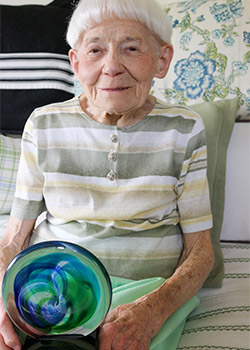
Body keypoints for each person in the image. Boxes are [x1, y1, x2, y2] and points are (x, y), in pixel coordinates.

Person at [0, 0, 215, 349]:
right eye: (95, 50)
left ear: (162, 60)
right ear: (76, 62)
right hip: (54, 286)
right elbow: (13, 240)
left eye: (131, 48)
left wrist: (151, 311)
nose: (111, 67)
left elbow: (201, 252)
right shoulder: (43, 124)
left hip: (144, 292)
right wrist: (3, 301)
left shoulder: (184, 129)